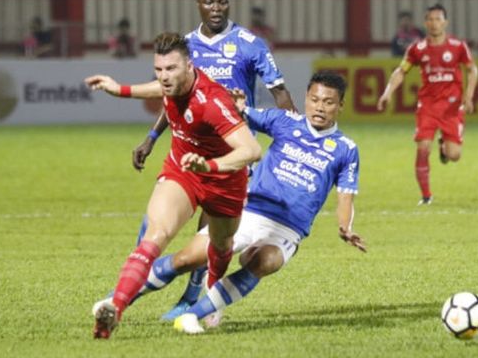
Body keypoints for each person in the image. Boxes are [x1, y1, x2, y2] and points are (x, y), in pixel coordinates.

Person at [94, 71, 366, 334]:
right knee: (186, 259)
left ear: (340, 106)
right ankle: (115, 301)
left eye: (328, 102)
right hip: (249, 210)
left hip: (288, 228)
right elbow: (240, 115)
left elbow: (345, 195)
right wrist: (238, 106)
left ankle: (193, 315)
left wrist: (345, 226)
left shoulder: (346, 149)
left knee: (264, 261)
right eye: (315, 100)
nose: (320, 107)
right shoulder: (285, 121)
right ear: (306, 98)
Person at [129, 0, 296, 320]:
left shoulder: (251, 44)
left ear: (229, 2)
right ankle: (141, 279)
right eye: (210, 1)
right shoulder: (186, 46)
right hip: (189, 149)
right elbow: (170, 95)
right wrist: (151, 137)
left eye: (222, 1)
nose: (216, 8)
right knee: (158, 221)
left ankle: (193, 299)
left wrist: (294, 135)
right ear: (198, 4)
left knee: (208, 234)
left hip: (231, 154)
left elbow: (279, 93)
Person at [84, 32, 262, 339]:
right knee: (156, 235)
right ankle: (116, 308)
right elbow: (161, 91)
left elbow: (251, 150)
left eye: (171, 69)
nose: (164, 77)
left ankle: (211, 298)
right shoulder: (171, 84)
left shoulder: (213, 102)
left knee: (221, 247)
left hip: (224, 181)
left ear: (190, 67)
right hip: (183, 172)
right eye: (159, 69)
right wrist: (119, 89)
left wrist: (209, 165)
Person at [377, 4, 478, 206]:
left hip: (451, 106)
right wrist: (388, 92)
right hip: (428, 106)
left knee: (454, 155)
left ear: (445, 22)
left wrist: (468, 96)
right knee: (423, 147)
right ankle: (426, 196)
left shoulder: (458, 46)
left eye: (438, 19)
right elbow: (401, 71)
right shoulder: (417, 49)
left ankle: (444, 144)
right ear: (425, 23)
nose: (434, 23)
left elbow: (472, 69)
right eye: (430, 19)